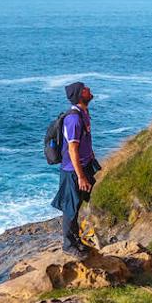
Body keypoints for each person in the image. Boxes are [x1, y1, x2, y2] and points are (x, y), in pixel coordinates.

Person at [50, 81, 101, 256]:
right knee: (70, 208)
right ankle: (68, 245)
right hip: (72, 171)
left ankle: (75, 239)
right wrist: (80, 176)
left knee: (77, 204)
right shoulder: (73, 119)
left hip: (83, 167)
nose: (89, 90)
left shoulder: (84, 113)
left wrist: (91, 157)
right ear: (80, 95)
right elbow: (72, 149)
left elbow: (85, 139)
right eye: (86, 89)